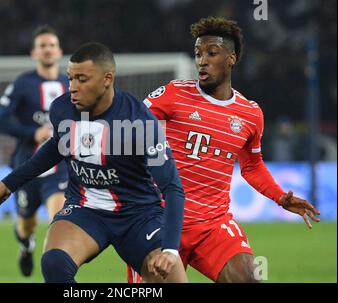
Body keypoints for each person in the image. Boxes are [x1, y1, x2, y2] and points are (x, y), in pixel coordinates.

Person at [127, 16, 321, 283]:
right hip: (159, 219)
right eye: (198, 54)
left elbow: (251, 166)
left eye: (211, 53)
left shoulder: (250, 114)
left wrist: (280, 197)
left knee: (249, 278)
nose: (201, 60)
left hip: (212, 224)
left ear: (231, 58)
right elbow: (129, 124)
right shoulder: (174, 94)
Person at [0, 42, 188, 283]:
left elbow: (172, 187)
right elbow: (53, 150)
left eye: (82, 79)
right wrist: (6, 185)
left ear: (107, 79)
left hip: (138, 214)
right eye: (70, 79)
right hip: (85, 209)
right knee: (54, 263)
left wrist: (171, 250)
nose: (73, 88)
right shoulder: (62, 109)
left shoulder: (140, 122)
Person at [0, 25, 69, 277]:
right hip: (26, 167)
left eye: (51, 45)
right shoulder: (22, 84)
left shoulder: (70, 84)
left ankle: (57, 273)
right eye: (42, 46)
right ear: (33, 53)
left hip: (59, 168)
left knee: (58, 218)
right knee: (26, 225)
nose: (47, 50)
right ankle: (26, 246)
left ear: (59, 51)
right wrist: (32, 133)